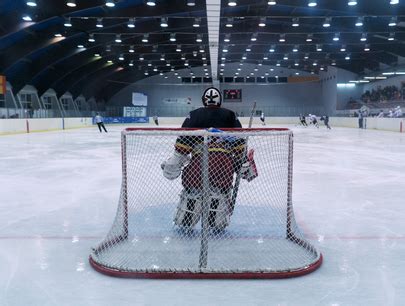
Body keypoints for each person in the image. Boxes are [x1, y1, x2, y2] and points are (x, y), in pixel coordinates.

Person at [161, 87, 257, 231]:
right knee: (218, 196)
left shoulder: (193, 115)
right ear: (220, 101)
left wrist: (172, 166)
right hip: (223, 166)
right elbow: (239, 149)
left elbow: (182, 148)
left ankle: (187, 220)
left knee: (192, 194)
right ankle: (215, 221)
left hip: (198, 165)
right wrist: (244, 165)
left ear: (204, 100)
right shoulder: (231, 115)